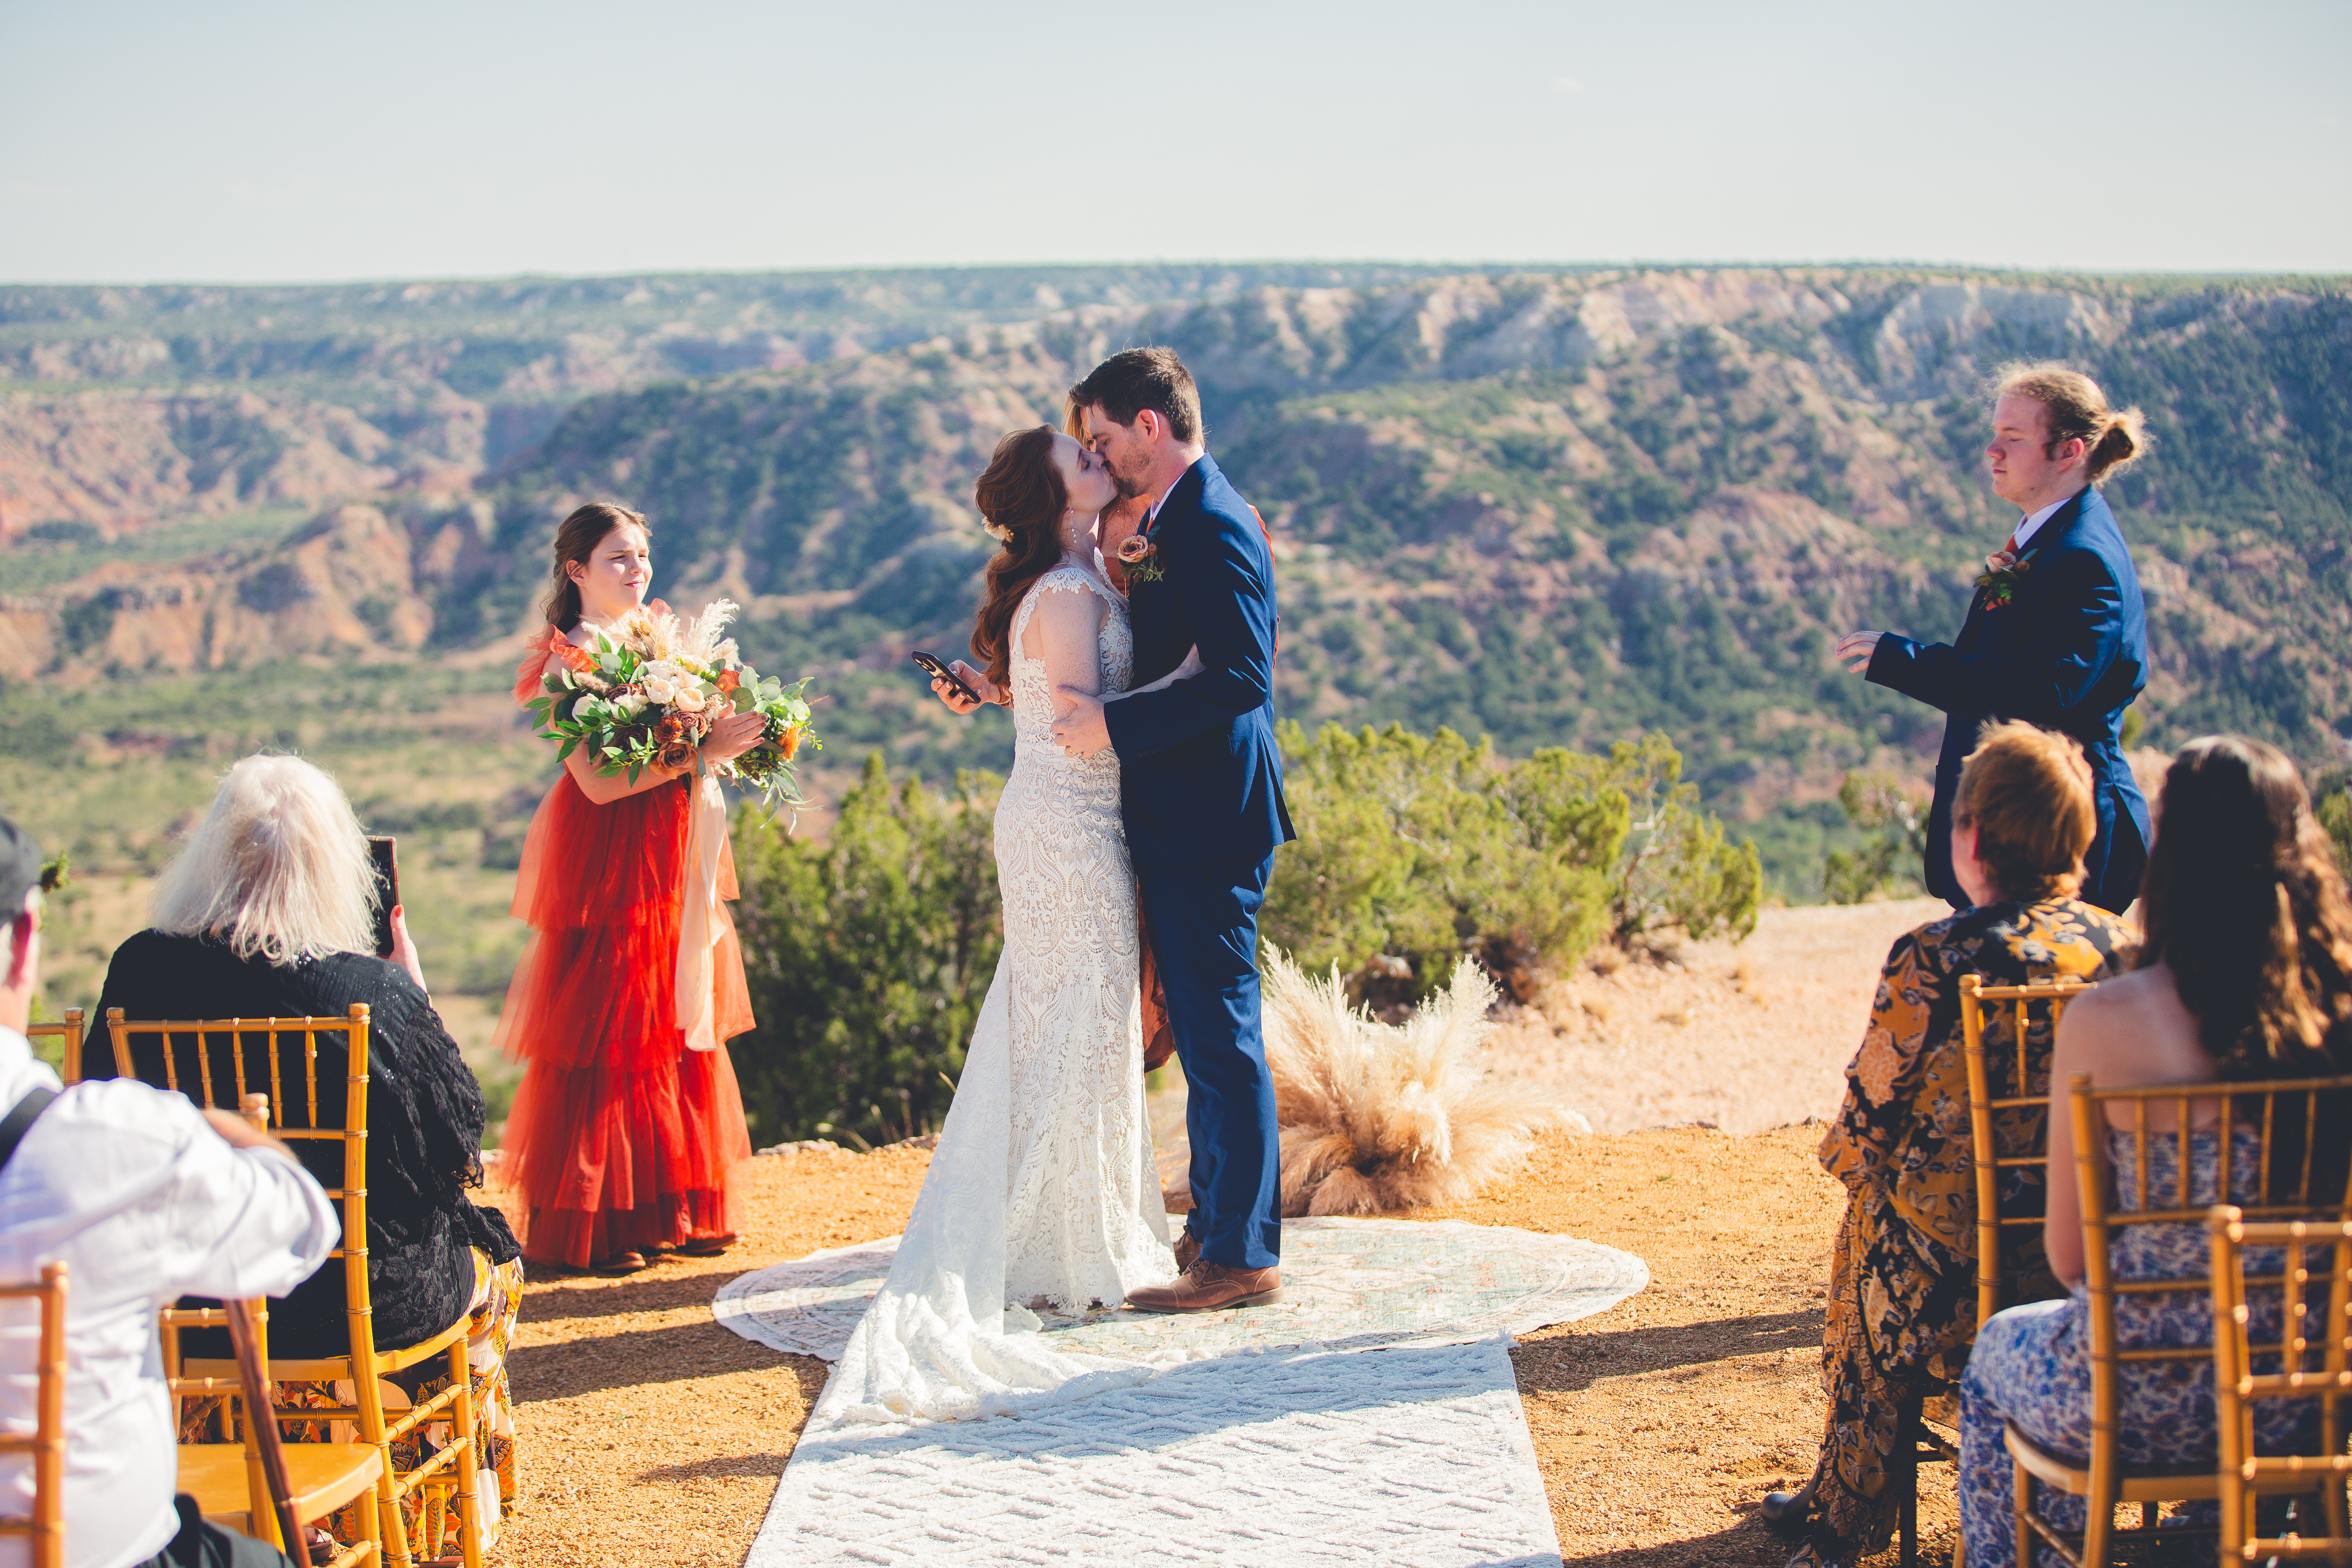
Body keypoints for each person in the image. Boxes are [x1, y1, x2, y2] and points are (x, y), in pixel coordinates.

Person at [826, 424, 1217, 1424]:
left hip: (1067, 821)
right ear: (1056, 499)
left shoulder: (1082, 577)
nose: (1097, 462)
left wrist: (1001, 687)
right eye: (1079, 462)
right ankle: (1058, 1245)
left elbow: (1048, 698)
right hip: (1066, 830)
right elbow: (1083, 720)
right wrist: (1185, 683)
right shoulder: (1069, 591)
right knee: (1079, 1022)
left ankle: (1059, 1227)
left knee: (1072, 1023)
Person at [82, 755, 526, 1558]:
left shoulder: (139, 968)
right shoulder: (372, 991)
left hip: (197, 1305)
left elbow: (98, 1107)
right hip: (355, 1303)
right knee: (496, 1267)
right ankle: (431, 1517)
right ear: (340, 869)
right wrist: (415, 996)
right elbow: (453, 1148)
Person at [1955, 736, 2352, 1565]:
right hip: (2299, 1400)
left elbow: (2069, 1257)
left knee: (1995, 1352)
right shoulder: (2336, 1024)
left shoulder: (2105, 1019)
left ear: (2170, 858)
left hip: (2127, 1399)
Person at [1768, 723, 2138, 1568]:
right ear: (2077, 836)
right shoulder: (2120, 953)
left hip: (1946, 1284)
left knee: (1865, 1221)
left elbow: (1859, 1132)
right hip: (2090, 1268)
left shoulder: (1933, 959)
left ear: (1971, 838)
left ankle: (1845, 1507)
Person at [0, 812, 340, 1568]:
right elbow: (301, 1233)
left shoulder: (140, 968)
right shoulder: (112, 1147)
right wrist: (222, 1126)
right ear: (25, 939)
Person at [1056, 347, 1297, 1312]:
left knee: (1220, 1031)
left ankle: (1241, 1255)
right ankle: (1216, 1227)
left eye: (1103, 438)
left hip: (1212, 815)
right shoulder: (1164, 520)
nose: (1099, 457)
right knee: (1201, 1029)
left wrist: (1112, 724)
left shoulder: (1210, 520)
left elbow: (1244, 673)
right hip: (1180, 812)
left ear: (1148, 426)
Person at [494, 503, 766, 1274]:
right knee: (613, 1022)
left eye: (642, 554)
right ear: (576, 571)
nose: (637, 569)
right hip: (610, 852)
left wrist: (743, 742)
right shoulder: (565, 662)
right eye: (618, 558)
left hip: (670, 842)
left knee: (679, 1009)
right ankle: (606, 1222)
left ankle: (681, 1205)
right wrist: (698, 752)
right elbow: (599, 782)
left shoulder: (659, 640)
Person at [1836, 364, 2153, 915]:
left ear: (2068, 451)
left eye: (2013, 437)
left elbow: (2038, 692)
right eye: (1994, 434)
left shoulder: (2082, 559)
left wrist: (1905, 662)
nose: (1991, 450)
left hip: (2062, 838)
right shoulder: (2049, 540)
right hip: (2018, 832)